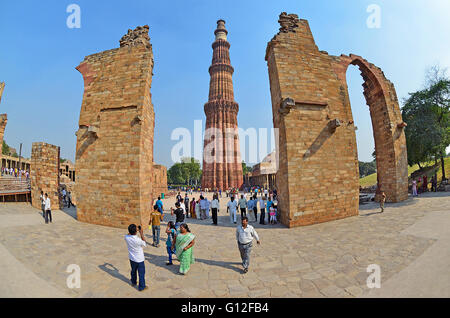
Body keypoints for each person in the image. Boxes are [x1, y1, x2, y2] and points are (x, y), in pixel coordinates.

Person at [124, 224, 148, 291]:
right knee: (141, 273)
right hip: (139, 259)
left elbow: (128, 233)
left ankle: (133, 282)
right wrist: (141, 233)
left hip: (132, 258)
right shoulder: (138, 240)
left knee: (133, 271)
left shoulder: (126, 237)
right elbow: (145, 243)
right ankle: (141, 287)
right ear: (136, 231)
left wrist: (133, 230)